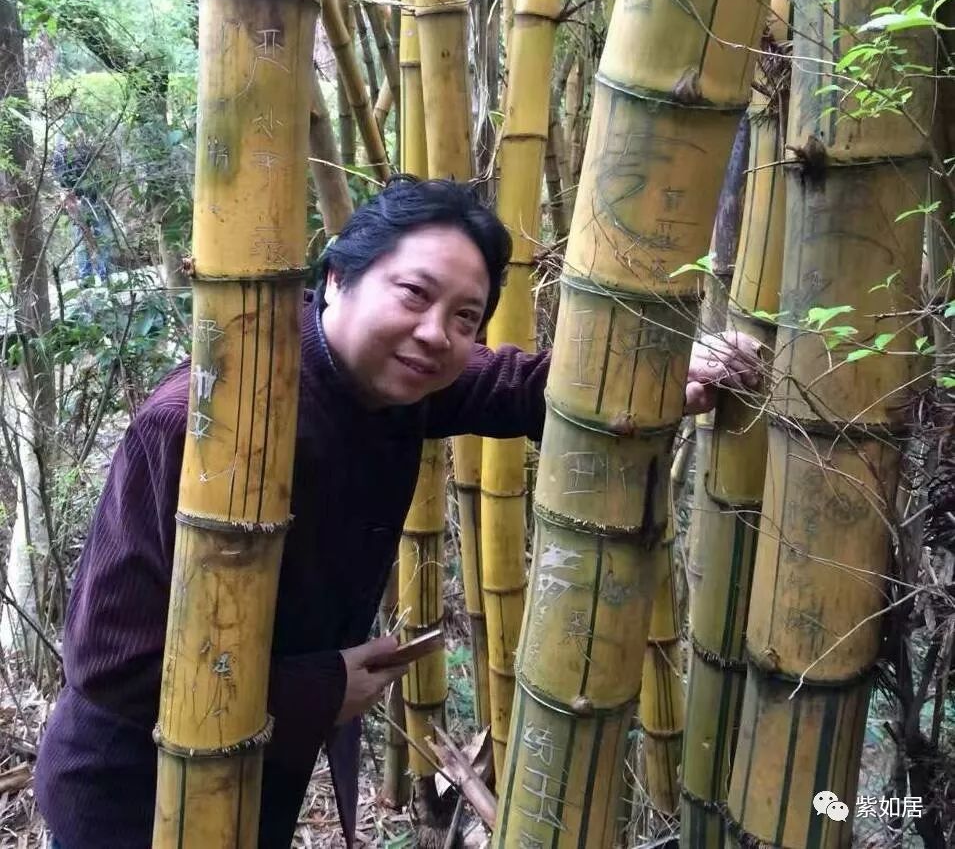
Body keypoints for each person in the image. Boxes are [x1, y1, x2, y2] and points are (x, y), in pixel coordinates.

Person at [34, 177, 759, 849]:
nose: (436, 333)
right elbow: (112, 665)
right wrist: (320, 689)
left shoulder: (397, 373)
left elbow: (513, 382)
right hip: (132, 787)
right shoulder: (200, 421)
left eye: (464, 316)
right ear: (337, 279)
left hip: (258, 759)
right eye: (413, 293)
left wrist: (673, 373)